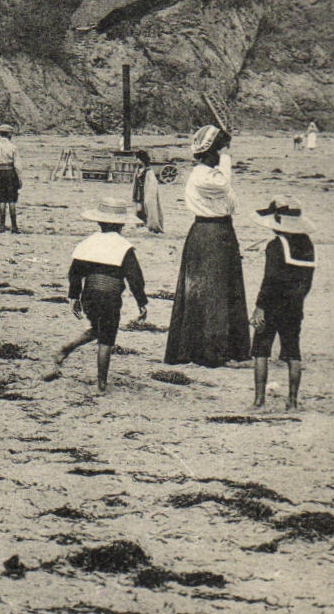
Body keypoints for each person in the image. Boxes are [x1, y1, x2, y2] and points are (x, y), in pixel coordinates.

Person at [163, 125, 251, 368]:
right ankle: (209, 352)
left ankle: (228, 348)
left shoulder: (212, 174)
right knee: (210, 292)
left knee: (225, 289)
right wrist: (225, 159)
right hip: (208, 234)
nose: (224, 155)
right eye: (221, 150)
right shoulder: (203, 175)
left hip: (222, 232)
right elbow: (224, 186)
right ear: (212, 151)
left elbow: (232, 205)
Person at [43, 197, 149, 392]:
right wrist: (141, 302)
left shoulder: (88, 243)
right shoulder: (124, 247)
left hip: (89, 294)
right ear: (122, 224)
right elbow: (135, 277)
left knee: (97, 329)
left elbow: (75, 273)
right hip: (110, 296)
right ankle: (101, 383)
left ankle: (65, 349)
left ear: (99, 221)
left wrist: (74, 297)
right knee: (107, 338)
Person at [249, 197, 316, 410]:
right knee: (293, 352)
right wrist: (297, 300)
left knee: (261, 351)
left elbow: (269, 279)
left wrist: (260, 307)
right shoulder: (307, 244)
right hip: (294, 306)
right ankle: (292, 402)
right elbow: (307, 281)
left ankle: (259, 401)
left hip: (272, 305)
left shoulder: (275, 245)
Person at [0, 123, 22, 233]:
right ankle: (14, 227)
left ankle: (2, 225)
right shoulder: (13, 147)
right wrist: (19, 179)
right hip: (10, 173)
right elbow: (17, 165)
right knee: (12, 200)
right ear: (9, 134)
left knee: (1, 200)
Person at [131, 149, 165, 234]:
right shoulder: (138, 170)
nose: (137, 161)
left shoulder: (149, 172)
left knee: (147, 209)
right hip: (139, 192)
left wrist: (149, 195)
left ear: (142, 160)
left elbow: (152, 185)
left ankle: (151, 225)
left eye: (138, 159)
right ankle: (140, 224)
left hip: (145, 192)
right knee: (139, 209)